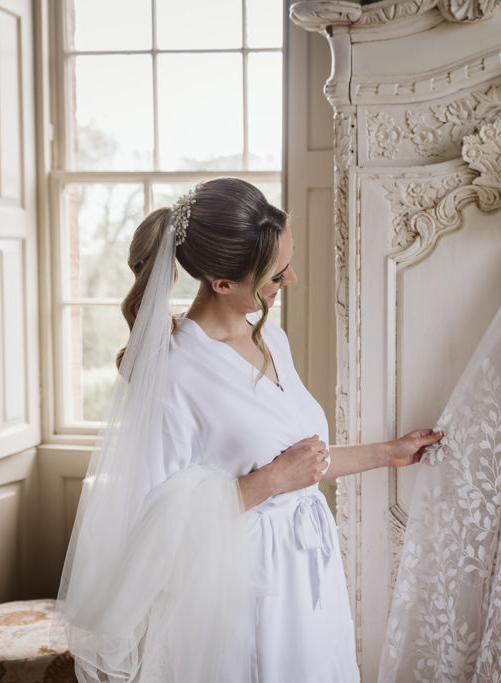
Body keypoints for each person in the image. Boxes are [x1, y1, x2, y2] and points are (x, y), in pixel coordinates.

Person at [57, 177, 442, 682]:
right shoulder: (173, 372)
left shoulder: (271, 339)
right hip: (247, 589)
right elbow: (150, 528)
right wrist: (269, 483)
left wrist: (388, 453)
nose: (293, 280)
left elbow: (302, 460)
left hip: (308, 575)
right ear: (221, 283)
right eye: (277, 276)